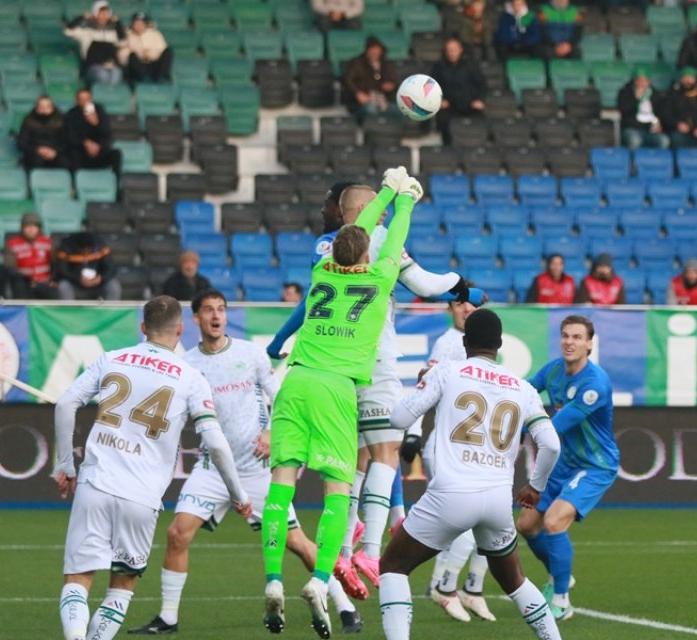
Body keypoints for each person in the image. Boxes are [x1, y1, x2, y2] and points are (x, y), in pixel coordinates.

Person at [262, 172, 484, 636]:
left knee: (324, 471)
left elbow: (305, 306)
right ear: (373, 218)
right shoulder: (380, 250)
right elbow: (424, 283)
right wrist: (460, 284)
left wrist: (278, 341)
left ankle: (301, 567)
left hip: (307, 372)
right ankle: (356, 552)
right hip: (362, 366)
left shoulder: (324, 254)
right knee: (376, 459)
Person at [126, 291, 366, 637]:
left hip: (256, 468)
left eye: (221, 310)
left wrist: (271, 430)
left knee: (297, 543)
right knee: (177, 534)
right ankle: (167, 617)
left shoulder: (250, 354)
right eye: (208, 310)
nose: (216, 316)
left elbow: (280, 396)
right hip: (212, 469)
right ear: (195, 319)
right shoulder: (188, 365)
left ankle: (344, 607)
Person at [259, 170, 421, 638]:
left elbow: (359, 230)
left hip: (297, 381)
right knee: (337, 491)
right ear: (367, 251)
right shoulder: (379, 279)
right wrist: (404, 199)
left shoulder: (319, 271)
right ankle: (320, 577)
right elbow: (389, 239)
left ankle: (272, 579)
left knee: (281, 485)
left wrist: (386, 191)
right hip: (336, 389)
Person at [53, 296, 251, 640]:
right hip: (142, 497)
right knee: (122, 584)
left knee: (78, 579)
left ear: (143, 328)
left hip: (96, 483)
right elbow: (216, 443)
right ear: (180, 329)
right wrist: (238, 493)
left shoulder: (111, 359)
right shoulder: (191, 377)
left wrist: (66, 465)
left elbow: (65, 403)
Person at [381, 309, 564, 640]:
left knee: (393, 567)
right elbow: (551, 445)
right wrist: (535, 487)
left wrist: (425, 380)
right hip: (496, 501)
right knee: (516, 582)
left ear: (465, 342)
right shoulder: (523, 388)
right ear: (500, 344)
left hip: (451, 495)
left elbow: (397, 418)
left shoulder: (447, 372)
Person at [519, 315, 618, 621]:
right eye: (565, 336)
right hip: (564, 463)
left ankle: (561, 601)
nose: (569, 342)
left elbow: (555, 426)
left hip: (595, 465)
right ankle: (558, 575)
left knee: (553, 521)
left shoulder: (594, 384)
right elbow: (524, 392)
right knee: (526, 525)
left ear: (589, 344)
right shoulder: (553, 371)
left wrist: (519, 429)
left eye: (577, 337)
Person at [411, 293, 498, 623]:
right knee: (467, 520)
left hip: (472, 450)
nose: (467, 310)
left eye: (473, 306)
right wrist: (412, 434)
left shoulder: (482, 349)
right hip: (447, 448)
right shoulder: (449, 343)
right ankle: (443, 587)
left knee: (492, 521)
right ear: (450, 309)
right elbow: (425, 388)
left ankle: (471, 590)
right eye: (461, 304)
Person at [431, 37, 488, 145]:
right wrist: (440, 100)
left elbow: (482, 85)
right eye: (449, 50)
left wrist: (480, 100)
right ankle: (448, 147)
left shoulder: (471, 65)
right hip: (450, 105)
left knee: (480, 118)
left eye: (454, 50)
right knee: (443, 118)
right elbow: (432, 87)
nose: (452, 53)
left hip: (470, 104)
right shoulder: (439, 67)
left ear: (460, 50)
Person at [64, 1, 127, 86]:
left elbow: (123, 42)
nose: (104, 17)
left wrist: (118, 23)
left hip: (111, 66)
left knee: (117, 74)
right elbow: (68, 31)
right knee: (102, 75)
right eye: (101, 13)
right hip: (93, 66)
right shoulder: (86, 31)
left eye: (106, 14)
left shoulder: (113, 32)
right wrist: (81, 17)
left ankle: (111, 95)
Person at [66, 89, 122, 173]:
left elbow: (107, 133)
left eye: (87, 99)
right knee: (72, 154)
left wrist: (96, 123)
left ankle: (116, 182)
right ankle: (75, 183)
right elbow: (70, 136)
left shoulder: (100, 111)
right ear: (77, 101)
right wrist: (86, 143)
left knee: (116, 154)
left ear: (91, 99)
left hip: (99, 150)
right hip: (81, 151)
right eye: (82, 99)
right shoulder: (71, 114)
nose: (85, 102)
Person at [4, 213, 59, 299]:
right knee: (18, 285)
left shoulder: (48, 243)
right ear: (22, 228)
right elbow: (10, 268)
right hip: (24, 283)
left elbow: (56, 264)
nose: (31, 230)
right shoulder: (12, 244)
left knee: (55, 293)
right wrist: (27, 280)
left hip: (45, 283)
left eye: (34, 227)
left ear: (38, 228)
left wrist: (53, 279)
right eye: (28, 226)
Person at [56, 231, 123, 300]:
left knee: (114, 285)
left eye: (89, 250)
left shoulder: (100, 246)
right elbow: (62, 271)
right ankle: (67, 310)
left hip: (97, 283)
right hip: (75, 284)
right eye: (83, 250)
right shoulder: (66, 247)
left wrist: (100, 278)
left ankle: (110, 311)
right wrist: (78, 279)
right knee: (63, 285)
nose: (86, 252)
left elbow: (111, 269)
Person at [342, 37, 399, 117]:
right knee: (372, 111)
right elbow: (348, 80)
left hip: (384, 100)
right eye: (372, 51)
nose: (374, 53)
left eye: (377, 51)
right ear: (367, 51)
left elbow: (394, 80)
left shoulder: (386, 64)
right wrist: (358, 93)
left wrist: (391, 85)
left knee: (400, 111)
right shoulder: (357, 63)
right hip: (363, 102)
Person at [664, 68, 697, 149]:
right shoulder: (673, 94)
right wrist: (677, 124)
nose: (687, 80)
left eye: (690, 77)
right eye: (685, 77)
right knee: (675, 139)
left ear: (695, 79)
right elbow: (666, 115)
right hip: (681, 133)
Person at [617, 70, 669, 150]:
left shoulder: (655, 94)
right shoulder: (625, 93)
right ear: (635, 81)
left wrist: (660, 125)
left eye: (645, 81)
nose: (642, 83)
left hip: (651, 131)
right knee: (635, 140)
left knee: (664, 140)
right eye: (640, 81)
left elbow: (662, 113)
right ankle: (633, 162)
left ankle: (655, 161)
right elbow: (624, 110)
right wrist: (635, 98)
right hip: (632, 129)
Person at [17, 96, 69, 171]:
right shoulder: (28, 121)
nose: (44, 109)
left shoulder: (61, 120)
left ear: (52, 107)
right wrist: (38, 150)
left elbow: (66, 141)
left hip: (56, 152)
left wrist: (55, 151)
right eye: (41, 106)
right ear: (36, 107)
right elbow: (21, 143)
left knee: (65, 162)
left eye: (47, 106)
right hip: (34, 152)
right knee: (36, 161)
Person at [120, 12, 172, 84]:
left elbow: (162, 48)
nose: (139, 26)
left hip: (154, 63)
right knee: (132, 57)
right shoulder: (127, 35)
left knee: (168, 52)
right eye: (136, 23)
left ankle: (161, 77)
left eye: (141, 23)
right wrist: (141, 54)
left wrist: (150, 54)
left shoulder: (155, 34)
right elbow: (122, 53)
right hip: (139, 65)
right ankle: (143, 79)